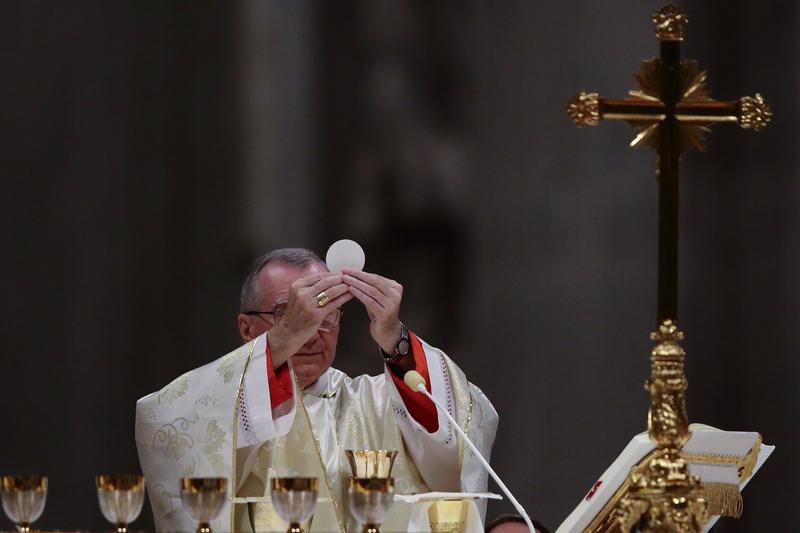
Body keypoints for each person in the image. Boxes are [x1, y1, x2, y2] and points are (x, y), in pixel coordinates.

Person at [135, 248, 498, 532]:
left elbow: (460, 425)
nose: (312, 329)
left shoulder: (378, 403)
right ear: (247, 329)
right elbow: (169, 424)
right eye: (290, 312)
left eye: (328, 312)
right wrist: (281, 342)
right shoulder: (227, 402)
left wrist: (397, 341)